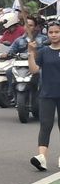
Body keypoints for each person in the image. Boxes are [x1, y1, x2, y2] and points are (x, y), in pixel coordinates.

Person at [28, 20, 60, 171]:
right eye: (51, 32)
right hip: (47, 93)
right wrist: (30, 53)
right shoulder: (44, 51)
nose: (53, 35)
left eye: (57, 32)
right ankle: (42, 158)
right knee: (45, 125)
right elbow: (34, 70)